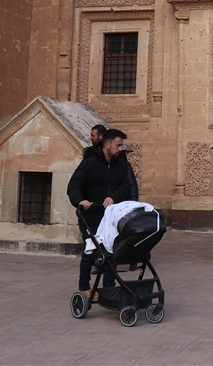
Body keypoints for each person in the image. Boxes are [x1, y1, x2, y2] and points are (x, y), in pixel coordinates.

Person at [67, 128, 132, 300]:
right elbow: (74, 185)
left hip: (111, 218)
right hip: (91, 216)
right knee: (91, 249)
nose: (120, 149)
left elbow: (126, 186)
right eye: (118, 145)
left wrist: (114, 197)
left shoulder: (122, 165)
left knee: (110, 251)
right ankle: (84, 287)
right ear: (107, 145)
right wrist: (80, 200)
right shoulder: (89, 164)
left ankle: (109, 288)